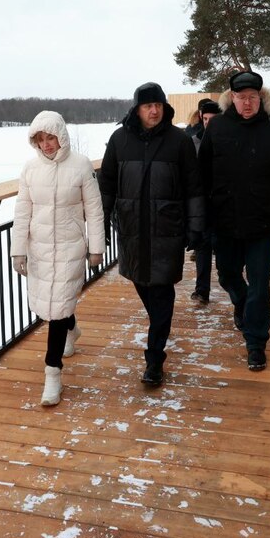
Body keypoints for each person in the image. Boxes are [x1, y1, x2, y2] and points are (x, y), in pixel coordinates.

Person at [98, 83, 205, 387]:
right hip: (131, 228)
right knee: (142, 283)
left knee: (161, 291)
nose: (154, 111)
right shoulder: (119, 140)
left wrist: (195, 225)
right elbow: (106, 183)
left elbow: (193, 185)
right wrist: (100, 222)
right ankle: (158, 331)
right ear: (137, 109)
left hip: (167, 228)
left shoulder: (178, 141)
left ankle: (154, 358)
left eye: (158, 104)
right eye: (148, 106)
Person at [197, 70, 270, 371]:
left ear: (262, 98)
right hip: (225, 222)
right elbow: (202, 176)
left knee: (259, 286)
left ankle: (255, 342)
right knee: (227, 276)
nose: (247, 103)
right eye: (241, 98)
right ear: (232, 99)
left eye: (253, 97)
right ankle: (240, 303)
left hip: (262, 224)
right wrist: (202, 219)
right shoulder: (217, 128)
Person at [10, 110, 105, 406]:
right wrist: (18, 249)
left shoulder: (80, 166)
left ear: (61, 136)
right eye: (40, 139)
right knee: (55, 306)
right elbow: (22, 212)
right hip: (39, 248)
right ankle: (72, 329)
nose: (47, 144)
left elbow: (94, 209)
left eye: (50, 137)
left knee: (57, 305)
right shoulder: (29, 169)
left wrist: (96, 247)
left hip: (69, 246)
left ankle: (53, 374)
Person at [189, 99, 221, 304]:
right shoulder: (193, 141)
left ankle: (235, 290)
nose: (208, 123)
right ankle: (202, 291)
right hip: (202, 204)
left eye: (213, 119)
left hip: (223, 204)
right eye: (205, 119)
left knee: (226, 255)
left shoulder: (227, 139)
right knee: (202, 248)